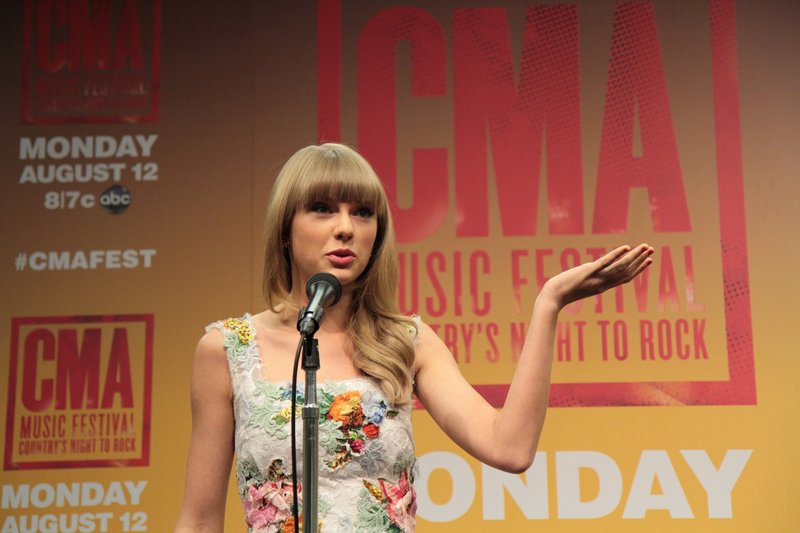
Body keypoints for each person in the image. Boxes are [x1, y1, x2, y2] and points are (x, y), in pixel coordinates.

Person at [175, 143, 654, 532]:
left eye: (363, 213)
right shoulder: (228, 350)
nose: (345, 228)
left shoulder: (406, 341)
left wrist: (549, 304)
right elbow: (198, 522)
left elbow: (509, 448)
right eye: (322, 209)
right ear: (285, 227)